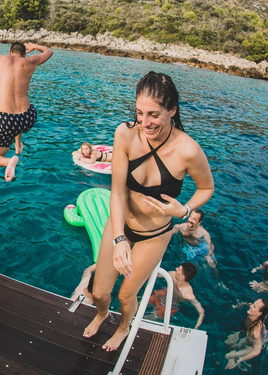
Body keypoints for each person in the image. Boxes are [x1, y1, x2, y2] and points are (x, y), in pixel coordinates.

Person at [83, 71, 214, 351]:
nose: (145, 122)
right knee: (99, 292)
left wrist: (185, 208)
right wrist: (119, 239)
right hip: (120, 225)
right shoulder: (125, 133)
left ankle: (123, 327)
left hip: (155, 234)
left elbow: (207, 188)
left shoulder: (188, 150)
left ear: (172, 110)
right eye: (139, 113)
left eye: (153, 114)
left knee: (126, 295)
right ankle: (102, 314)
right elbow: (117, 191)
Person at [0, 42, 53, 181]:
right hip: (28, 117)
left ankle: (9, 161)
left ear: (10, 51)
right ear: (25, 53)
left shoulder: (0, 58)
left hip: (8, 120)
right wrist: (35, 46)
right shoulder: (30, 61)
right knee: (17, 122)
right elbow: (49, 51)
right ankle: (18, 145)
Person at [147, 263, 205, 329]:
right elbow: (156, 275)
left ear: (182, 277)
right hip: (161, 295)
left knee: (150, 318)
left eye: (179, 269)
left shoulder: (187, 294)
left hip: (169, 307)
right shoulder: (172, 275)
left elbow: (201, 312)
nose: (176, 269)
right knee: (141, 302)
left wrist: (196, 328)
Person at [225, 298, 268, 370]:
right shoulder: (254, 312)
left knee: (228, 356)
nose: (251, 306)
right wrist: (238, 305)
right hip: (246, 333)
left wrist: (240, 359)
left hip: (252, 345)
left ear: (258, 313)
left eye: (254, 306)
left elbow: (257, 350)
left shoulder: (256, 332)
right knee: (227, 342)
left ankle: (246, 368)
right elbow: (248, 304)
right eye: (253, 304)